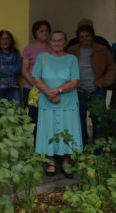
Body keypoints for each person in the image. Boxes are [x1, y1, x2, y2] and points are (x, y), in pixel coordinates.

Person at [32, 31, 81, 177]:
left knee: (68, 130)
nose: (57, 43)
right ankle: (51, 161)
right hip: (47, 102)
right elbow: (36, 78)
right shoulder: (42, 58)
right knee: (49, 130)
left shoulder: (72, 59)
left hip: (68, 102)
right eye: (54, 40)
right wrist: (49, 93)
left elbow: (75, 81)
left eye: (60, 40)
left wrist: (57, 91)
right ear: (50, 42)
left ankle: (66, 162)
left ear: (65, 42)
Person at [67, 25, 115, 147]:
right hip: (78, 91)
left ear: (92, 36)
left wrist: (104, 81)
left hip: (96, 90)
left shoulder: (102, 49)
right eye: (81, 37)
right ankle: (81, 150)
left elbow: (111, 66)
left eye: (87, 36)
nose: (85, 39)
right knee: (79, 123)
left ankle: (98, 153)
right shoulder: (71, 50)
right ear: (78, 38)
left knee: (98, 123)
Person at [22, 20, 51, 130]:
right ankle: (33, 145)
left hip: (49, 89)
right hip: (31, 89)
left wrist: (45, 88)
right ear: (35, 33)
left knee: (47, 118)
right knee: (32, 119)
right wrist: (37, 85)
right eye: (41, 31)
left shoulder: (53, 47)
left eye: (46, 31)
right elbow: (25, 71)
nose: (44, 33)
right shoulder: (29, 48)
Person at [0, 30, 22, 103]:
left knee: (16, 112)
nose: (5, 41)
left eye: (7, 38)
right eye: (2, 39)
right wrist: (12, 68)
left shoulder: (15, 52)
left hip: (14, 87)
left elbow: (19, 69)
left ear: (11, 40)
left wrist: (4, 67)